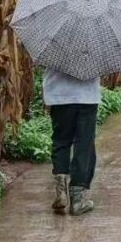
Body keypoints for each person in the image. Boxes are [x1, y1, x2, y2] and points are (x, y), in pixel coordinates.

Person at [44, 69, 100, 216]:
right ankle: (77, 200)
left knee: (61, 140)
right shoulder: (95, 52)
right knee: (84, 144)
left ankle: (61, 192)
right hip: (87, 96)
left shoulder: (52, 51)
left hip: (58, 95)